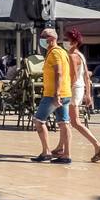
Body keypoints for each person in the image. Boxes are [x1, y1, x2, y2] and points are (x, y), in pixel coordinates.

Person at [63, 28, 100, 163]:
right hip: (80, 89)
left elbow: (73, 77)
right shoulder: (80, 55)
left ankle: (98, 145)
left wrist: (63, 91)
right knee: (65, 120)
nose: (65, 41)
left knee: (74, 122)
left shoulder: (71, 56)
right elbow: (87, 77)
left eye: (67, 39)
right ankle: (60, 147)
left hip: (72, 89)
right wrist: (88, 95)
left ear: (74, 42)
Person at [32, 28, 71, 163]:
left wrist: (57, 93)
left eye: (43, 37)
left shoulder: (55, 53)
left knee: (39, 121)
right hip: (65, 93)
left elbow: (59, 73)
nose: (41, 39)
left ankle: (46, 152)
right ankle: (66, 155)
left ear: (51, 39)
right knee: (63, 123)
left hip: (53, 94)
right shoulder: (61, 52)